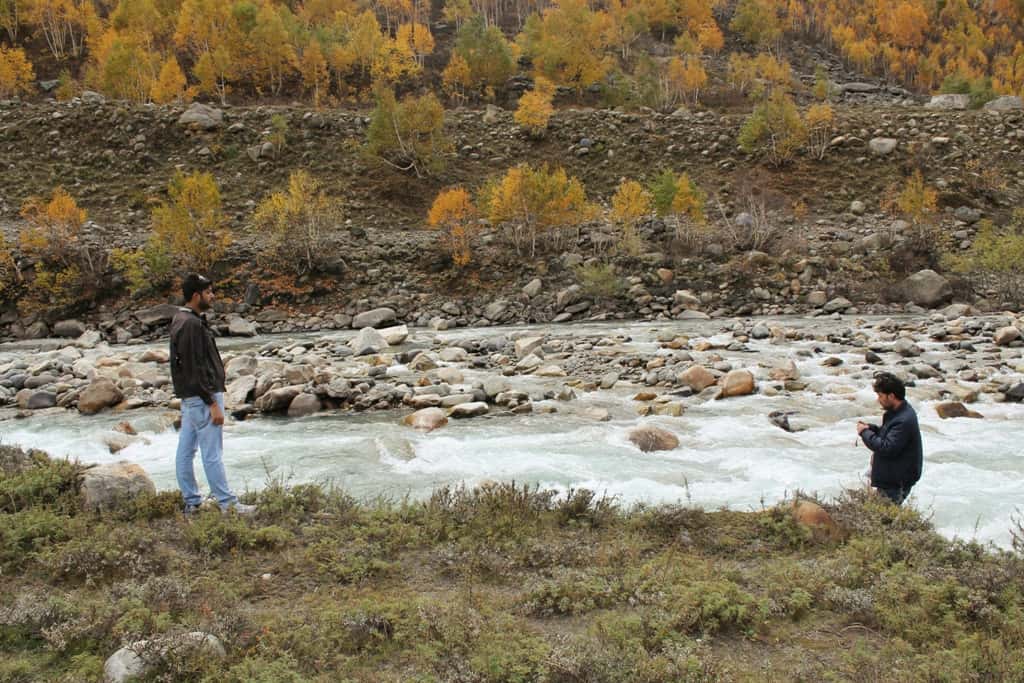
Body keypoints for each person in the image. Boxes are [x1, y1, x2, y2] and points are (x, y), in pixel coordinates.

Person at [169, 273, 255, 515]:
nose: (212, 296)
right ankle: (228, 504)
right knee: (212, 452)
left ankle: (192, 502)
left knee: (186, 450)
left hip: (191, 397)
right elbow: (194, 367)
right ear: (196, 296)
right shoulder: (192, 324)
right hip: (202, 397)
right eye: (208, 292)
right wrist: (212, 403)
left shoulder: (181, 319)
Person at [856, 372, 923, 505]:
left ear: (891, 396)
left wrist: (864, 433)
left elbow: (887, 448)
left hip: (895, 483)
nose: (878, 400)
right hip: (893, 478)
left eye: (880, 396)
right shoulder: (898, 413)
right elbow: (888, 433)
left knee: (883, 521)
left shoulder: (903, 419)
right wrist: (872, 428)